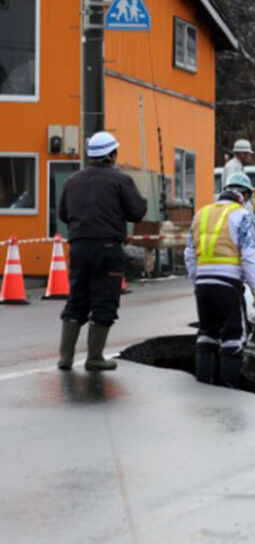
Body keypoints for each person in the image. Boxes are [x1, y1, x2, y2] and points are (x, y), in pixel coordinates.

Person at [56, 131, 148, 371]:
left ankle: (65, 358)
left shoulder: (73, 181)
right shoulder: (120, 181)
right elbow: (137, 212)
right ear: (112, 155)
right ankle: (94, 357)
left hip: (78, 247)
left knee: (77, 299)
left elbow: (63, 214)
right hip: (107, 249)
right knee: (104, 301)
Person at [184, 172, 255, 388]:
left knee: (207, 334)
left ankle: (204, 384)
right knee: (233, 337)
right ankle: (229, 389)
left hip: (203, 284)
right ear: (243, 195)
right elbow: (248, 255)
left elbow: (189, 254)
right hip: (228, 284)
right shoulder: (242, 215)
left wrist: (197, 279)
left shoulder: (202, 214)